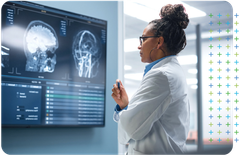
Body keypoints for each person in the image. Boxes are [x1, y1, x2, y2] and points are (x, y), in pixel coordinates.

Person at [111, 4, 190, 155]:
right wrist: (126, 106)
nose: (139, 46)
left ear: (159, 42)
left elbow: (131, 129)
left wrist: (126, 112)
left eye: (143, 39)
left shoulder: (162, 75)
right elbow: (147, 121)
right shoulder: (171, 71)